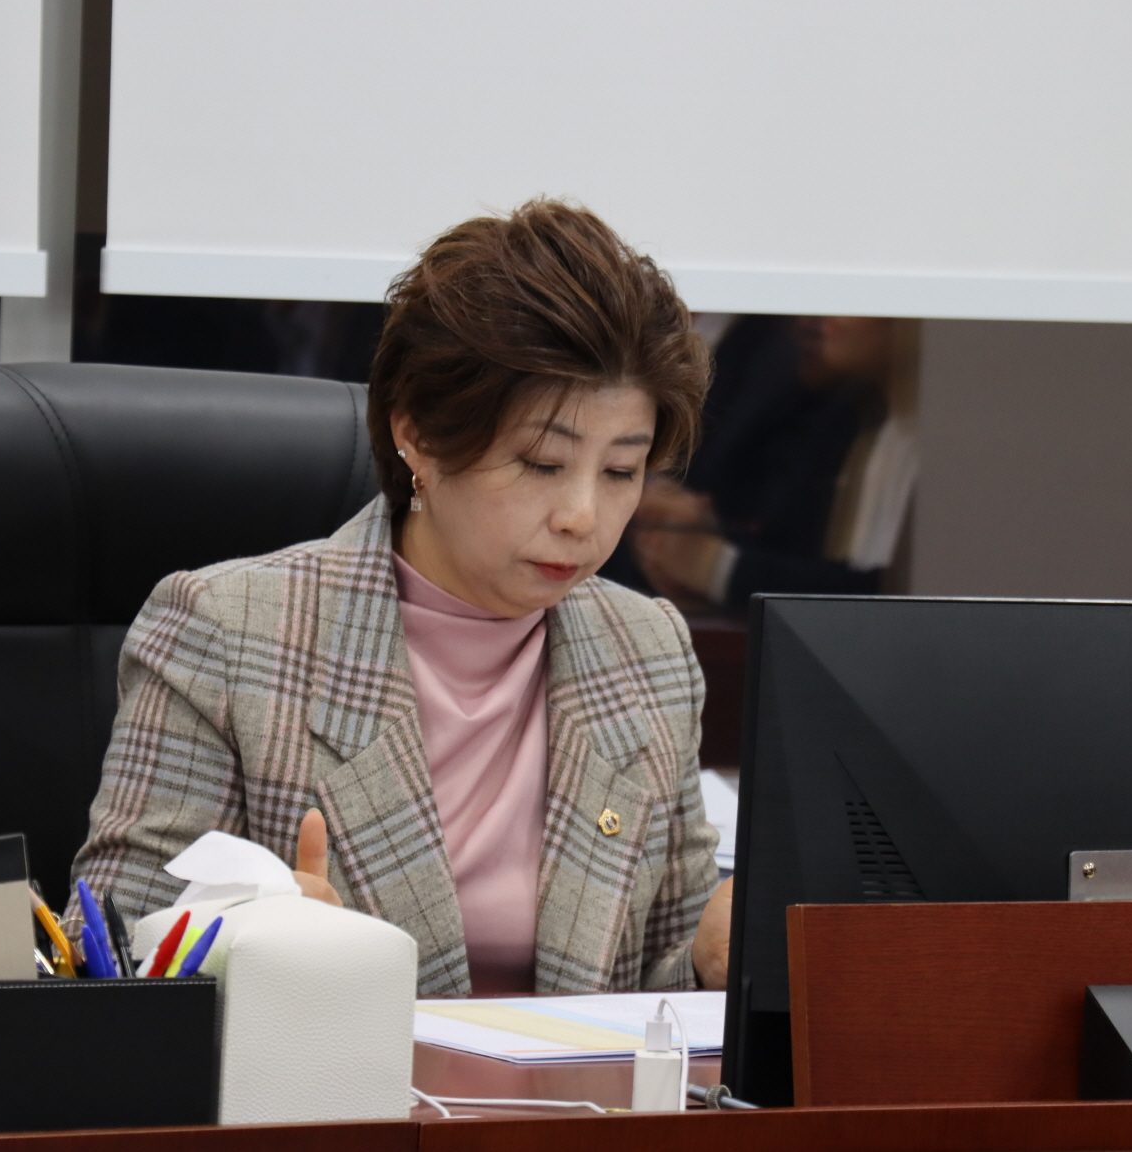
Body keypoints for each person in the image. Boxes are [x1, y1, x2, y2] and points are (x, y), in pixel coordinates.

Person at [68, 199, 732, 996]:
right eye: (542, 464)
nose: (583, 517)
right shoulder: (226, 633)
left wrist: (708, 963)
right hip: (325, 1075)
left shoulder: (648, 651)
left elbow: (657, 989)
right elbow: (111, 954)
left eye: (622, 470)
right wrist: (245, 942)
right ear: (417, 434)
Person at [632, 316, 920, 607]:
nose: (809, 318)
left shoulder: (917, 441)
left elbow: (894, 598)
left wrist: (713, 564)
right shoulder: (871, 427)